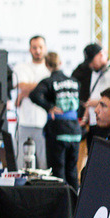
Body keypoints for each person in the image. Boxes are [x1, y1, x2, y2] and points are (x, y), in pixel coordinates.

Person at [29, 52, 80, 188]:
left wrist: (49, 107)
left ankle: (62, 206)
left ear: (46, 65)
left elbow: (34, 95)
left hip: (58, 131)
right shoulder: (74, 82)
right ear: (61, 63)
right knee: (72, 171)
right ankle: (76, 204)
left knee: (58, 172)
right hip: (75, 131)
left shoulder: (49, 81)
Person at [14, 35, 49, 169]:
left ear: (45, 48)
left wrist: (25, 93)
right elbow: (21, 85)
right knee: (21, 164)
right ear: (30, 49)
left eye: (40, 47)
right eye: (34, 47)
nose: (37, 51)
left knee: (43, 164)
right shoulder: (22, 67)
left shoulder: (48, 70)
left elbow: (48, 89)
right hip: (24, 122)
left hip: (43, 123)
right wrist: (41, 87)